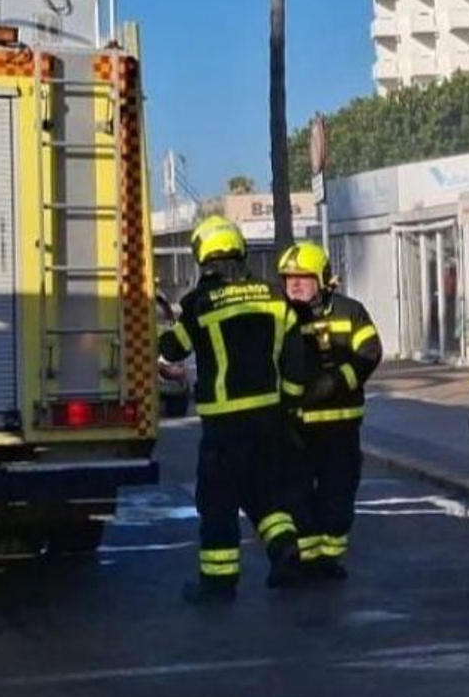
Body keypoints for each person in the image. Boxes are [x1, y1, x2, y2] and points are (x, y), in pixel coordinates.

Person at [160, 216, 308, 602]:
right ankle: (285, 548)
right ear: (240, 253)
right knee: (263, 491)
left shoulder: (199, 304)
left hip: (225, 423)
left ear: (204, 259)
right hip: (270, 417)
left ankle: (218, 581)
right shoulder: (276, 298)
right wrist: (290, 407)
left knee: (218, 498)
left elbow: (173, 349)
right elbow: (295, 361)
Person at [279, 241, 382, 582]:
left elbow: (369, 352)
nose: (294, 285)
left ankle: (329, 560)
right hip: (295, 429)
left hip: (340, 428)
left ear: (322, 279)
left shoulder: (350, 311)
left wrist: (335, 383)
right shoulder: (278, 316)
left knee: (337, 498)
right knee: (297, 497)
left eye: (303, 278)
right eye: (289, 278)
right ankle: (306, 561)